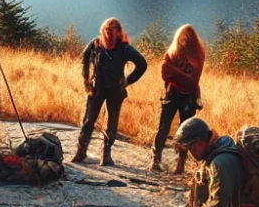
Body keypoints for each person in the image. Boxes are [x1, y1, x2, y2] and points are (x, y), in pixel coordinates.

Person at [72, 18, 147, 167]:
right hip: (97, 88)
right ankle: (81, 153)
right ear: (102, 33)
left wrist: (128, 80)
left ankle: (106, 155)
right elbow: (84, 57)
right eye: (106, 33)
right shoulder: (96, 44)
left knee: (111, 123)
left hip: (115, 90)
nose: (108, 38)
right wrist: (85, 78)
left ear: (118, 34)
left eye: (112, 34)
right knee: (89, 120)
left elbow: (142, 64)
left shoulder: (125, 49)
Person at [171, 117, 244, 207]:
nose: (190, 153)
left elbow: (217, 205)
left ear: (198, 142)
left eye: (189, 148)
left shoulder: (220, 162)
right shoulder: (218, 149)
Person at [152, 24, 205, 174]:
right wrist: (182, 78)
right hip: (174, 94)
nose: (185, 41)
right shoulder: (173, 52)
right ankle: (155, 159)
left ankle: (180, 164)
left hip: (186, 97)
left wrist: (175, 75)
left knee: (185, 130)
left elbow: (192, 80)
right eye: (183, 38)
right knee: (164, 127)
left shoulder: (197, 55)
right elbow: (165, 72)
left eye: (188, 38)